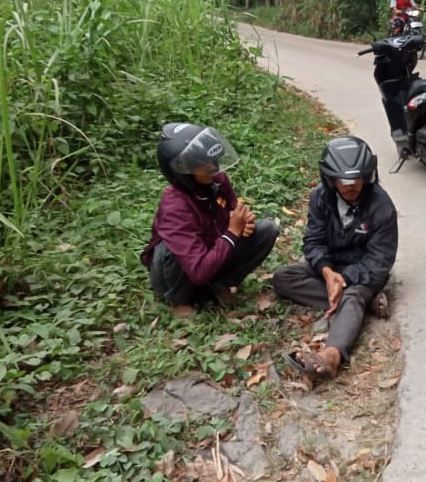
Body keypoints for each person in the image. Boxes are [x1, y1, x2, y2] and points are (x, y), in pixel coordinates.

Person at [273, 137, 398, 381]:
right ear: (330, 179)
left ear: (368, 176)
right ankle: (364, 305)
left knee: (352, 294)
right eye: (344, 181)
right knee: (283, 278)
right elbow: (314, 241)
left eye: (357, 179)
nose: (351, 186)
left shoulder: (382, 206)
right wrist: (328, 273)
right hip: (330, 268)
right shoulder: (320, 197)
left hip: (363, 273)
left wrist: (345, 279)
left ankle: (332, 356)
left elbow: (380, 261)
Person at [141, 122, 278, 315]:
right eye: (203, 163)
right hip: (183, 270)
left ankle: (218, 283)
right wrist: (232, 233)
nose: (212, 167)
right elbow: (197, 271)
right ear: (182, 169)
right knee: (169, 249)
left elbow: (233, 211)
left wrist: (244, 222)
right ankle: (178, 300)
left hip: (211, 251)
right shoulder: (175, 206)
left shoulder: (217, 179)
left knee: (266, 230)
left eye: (212, 160)